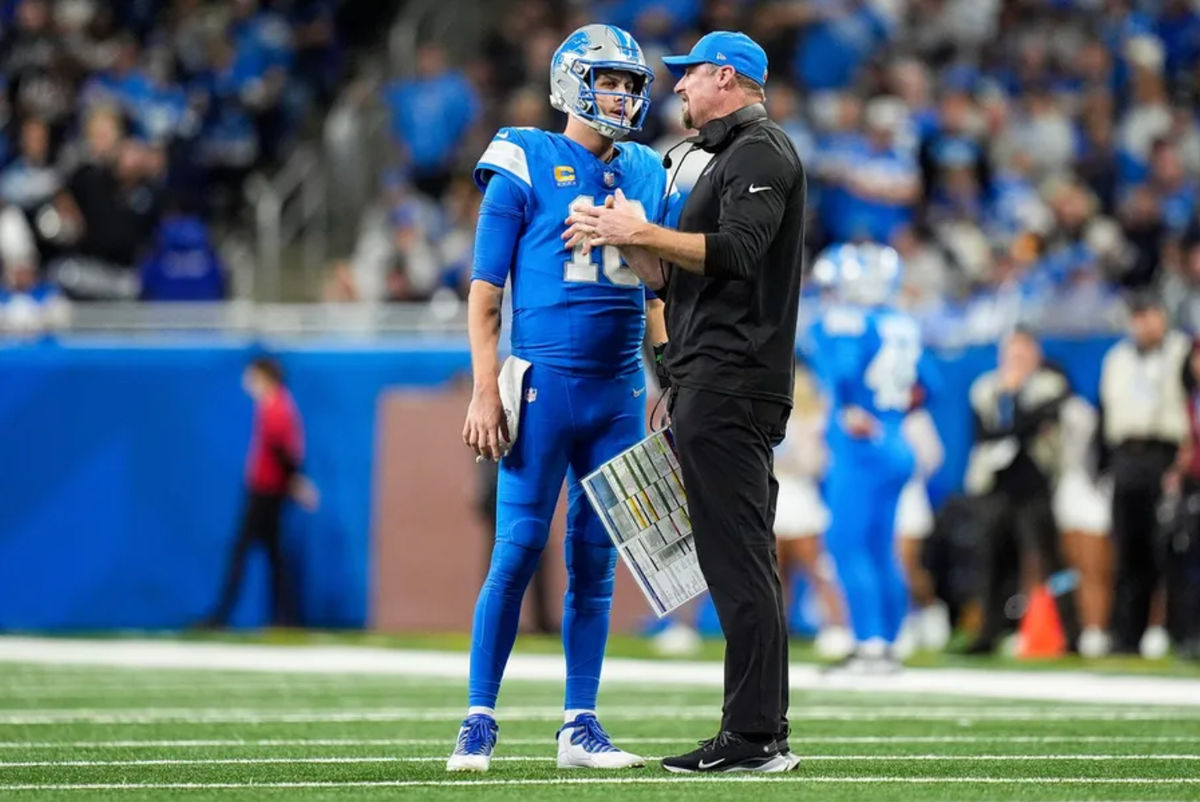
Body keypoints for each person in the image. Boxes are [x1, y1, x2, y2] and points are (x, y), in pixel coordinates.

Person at [564, 30, 806, 773]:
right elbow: (688, 284)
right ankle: (755, 732)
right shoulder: (730, 155)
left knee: (739, 564)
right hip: (709, 376)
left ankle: (755, 737)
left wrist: (647, 231)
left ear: (725, 77)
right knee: (735, 560)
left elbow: (738, 250)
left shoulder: (762, 150)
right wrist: (634, 248)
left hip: (733, 381)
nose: (679, 89)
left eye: (690, 76)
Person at [450, 24, 670, 773]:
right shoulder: (526, 154)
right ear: (572, 81)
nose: (623, 95)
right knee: (515, 551)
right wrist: (485, 390)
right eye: (610, 80)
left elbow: (662, 291)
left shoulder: (646, 168)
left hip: (617, 391)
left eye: (631, 83)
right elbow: (485, 293)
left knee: (596, 559)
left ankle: (580, 724)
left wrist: (667, 375)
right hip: (541, 383)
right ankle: (478, 718)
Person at [808, 244, 931, 672]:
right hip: (896, 439)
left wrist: (850, 408)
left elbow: (839, 371)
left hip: (861, 446)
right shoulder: (902, 323)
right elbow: (925, 386)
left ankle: (872, 644)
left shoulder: (844, 322)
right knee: (881, 548)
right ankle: (890, 641)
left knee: (847, 544)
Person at [1099, 292, 1189, 655]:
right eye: (1137, 316)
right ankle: (1126, 635)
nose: (1144, 323)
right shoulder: (1118, 358)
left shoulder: (1181, 352)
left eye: (1150, 314)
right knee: (1128, 550)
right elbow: (1107, 410)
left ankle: (1179, 631)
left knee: (1169, 549)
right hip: (1127, 456)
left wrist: (1182, 459)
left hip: (1166, 454)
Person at [202, 357, 318, 628]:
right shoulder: (277, 404)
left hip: (266, 490)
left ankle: (223, 615)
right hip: (269, 487)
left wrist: (294, 482)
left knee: (244, 551)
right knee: (274, 555)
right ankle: (284, 617)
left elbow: (282, 450)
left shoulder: (276, 406)